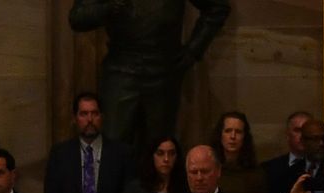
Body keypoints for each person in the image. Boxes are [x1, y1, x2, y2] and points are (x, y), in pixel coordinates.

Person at [67, 0, 230, 153]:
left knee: (160, 149)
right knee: (113, 147)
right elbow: (78, 17)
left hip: (163, 71)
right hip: (121, 68)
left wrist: (193, 51)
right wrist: (109, 7)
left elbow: (217, 7)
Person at [211, 110, 268, 193]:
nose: (233, 136)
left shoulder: (255, 173)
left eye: (238, 132)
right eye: (228, 131)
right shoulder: (210, 169)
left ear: (244, 137)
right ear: (220, 135)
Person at [262, 110, 320, 193]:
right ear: (287, 134)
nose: (302, 135)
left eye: (307, 130)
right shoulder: (268, 169)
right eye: (297, 130)